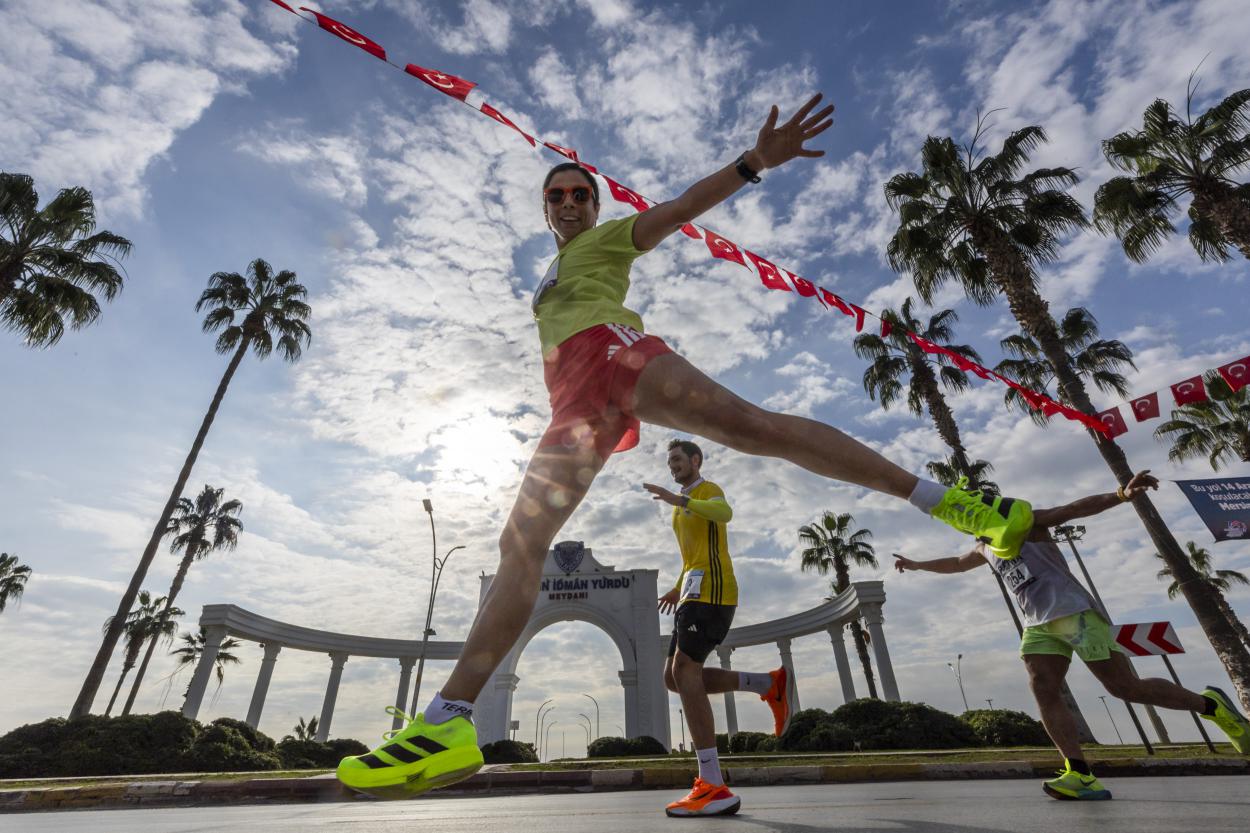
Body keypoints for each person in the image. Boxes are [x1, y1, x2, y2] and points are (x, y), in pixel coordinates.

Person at [337, 93, 1038, 799]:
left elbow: (675, 210)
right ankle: (448, 722)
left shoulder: (606, 242)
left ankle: (951, 502)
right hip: (572, 406)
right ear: (546, 207)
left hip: (615, 356)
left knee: (751, 427)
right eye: (559, 195)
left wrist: (752, 163)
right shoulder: (549, 271)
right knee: (518, 547)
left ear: (595, 206)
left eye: (583, 192)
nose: (572, 201)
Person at [893, 470, 1250, 801]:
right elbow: (956, 563)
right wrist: (916, 565)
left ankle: (1212, 707)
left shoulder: (1026, 522)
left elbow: (1070, 509)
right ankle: (1079, 773)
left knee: (1125, 688)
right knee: (1042, 686)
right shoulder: (985, 546)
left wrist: (1121, 495)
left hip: (1074, 614)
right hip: (1038, 625)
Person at [644, 438, 795, 817]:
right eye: (669, 462)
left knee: (684, 671)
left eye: (678, 460)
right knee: (672, 678)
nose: (672, 466)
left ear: (695, 460)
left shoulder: (707, 491)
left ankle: (712, 783)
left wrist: (681, 500)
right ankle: (766, 684)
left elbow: (724, 514)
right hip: (693, 593)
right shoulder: (680, 510)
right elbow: (691, 557)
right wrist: (677, 589)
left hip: (714, 593)